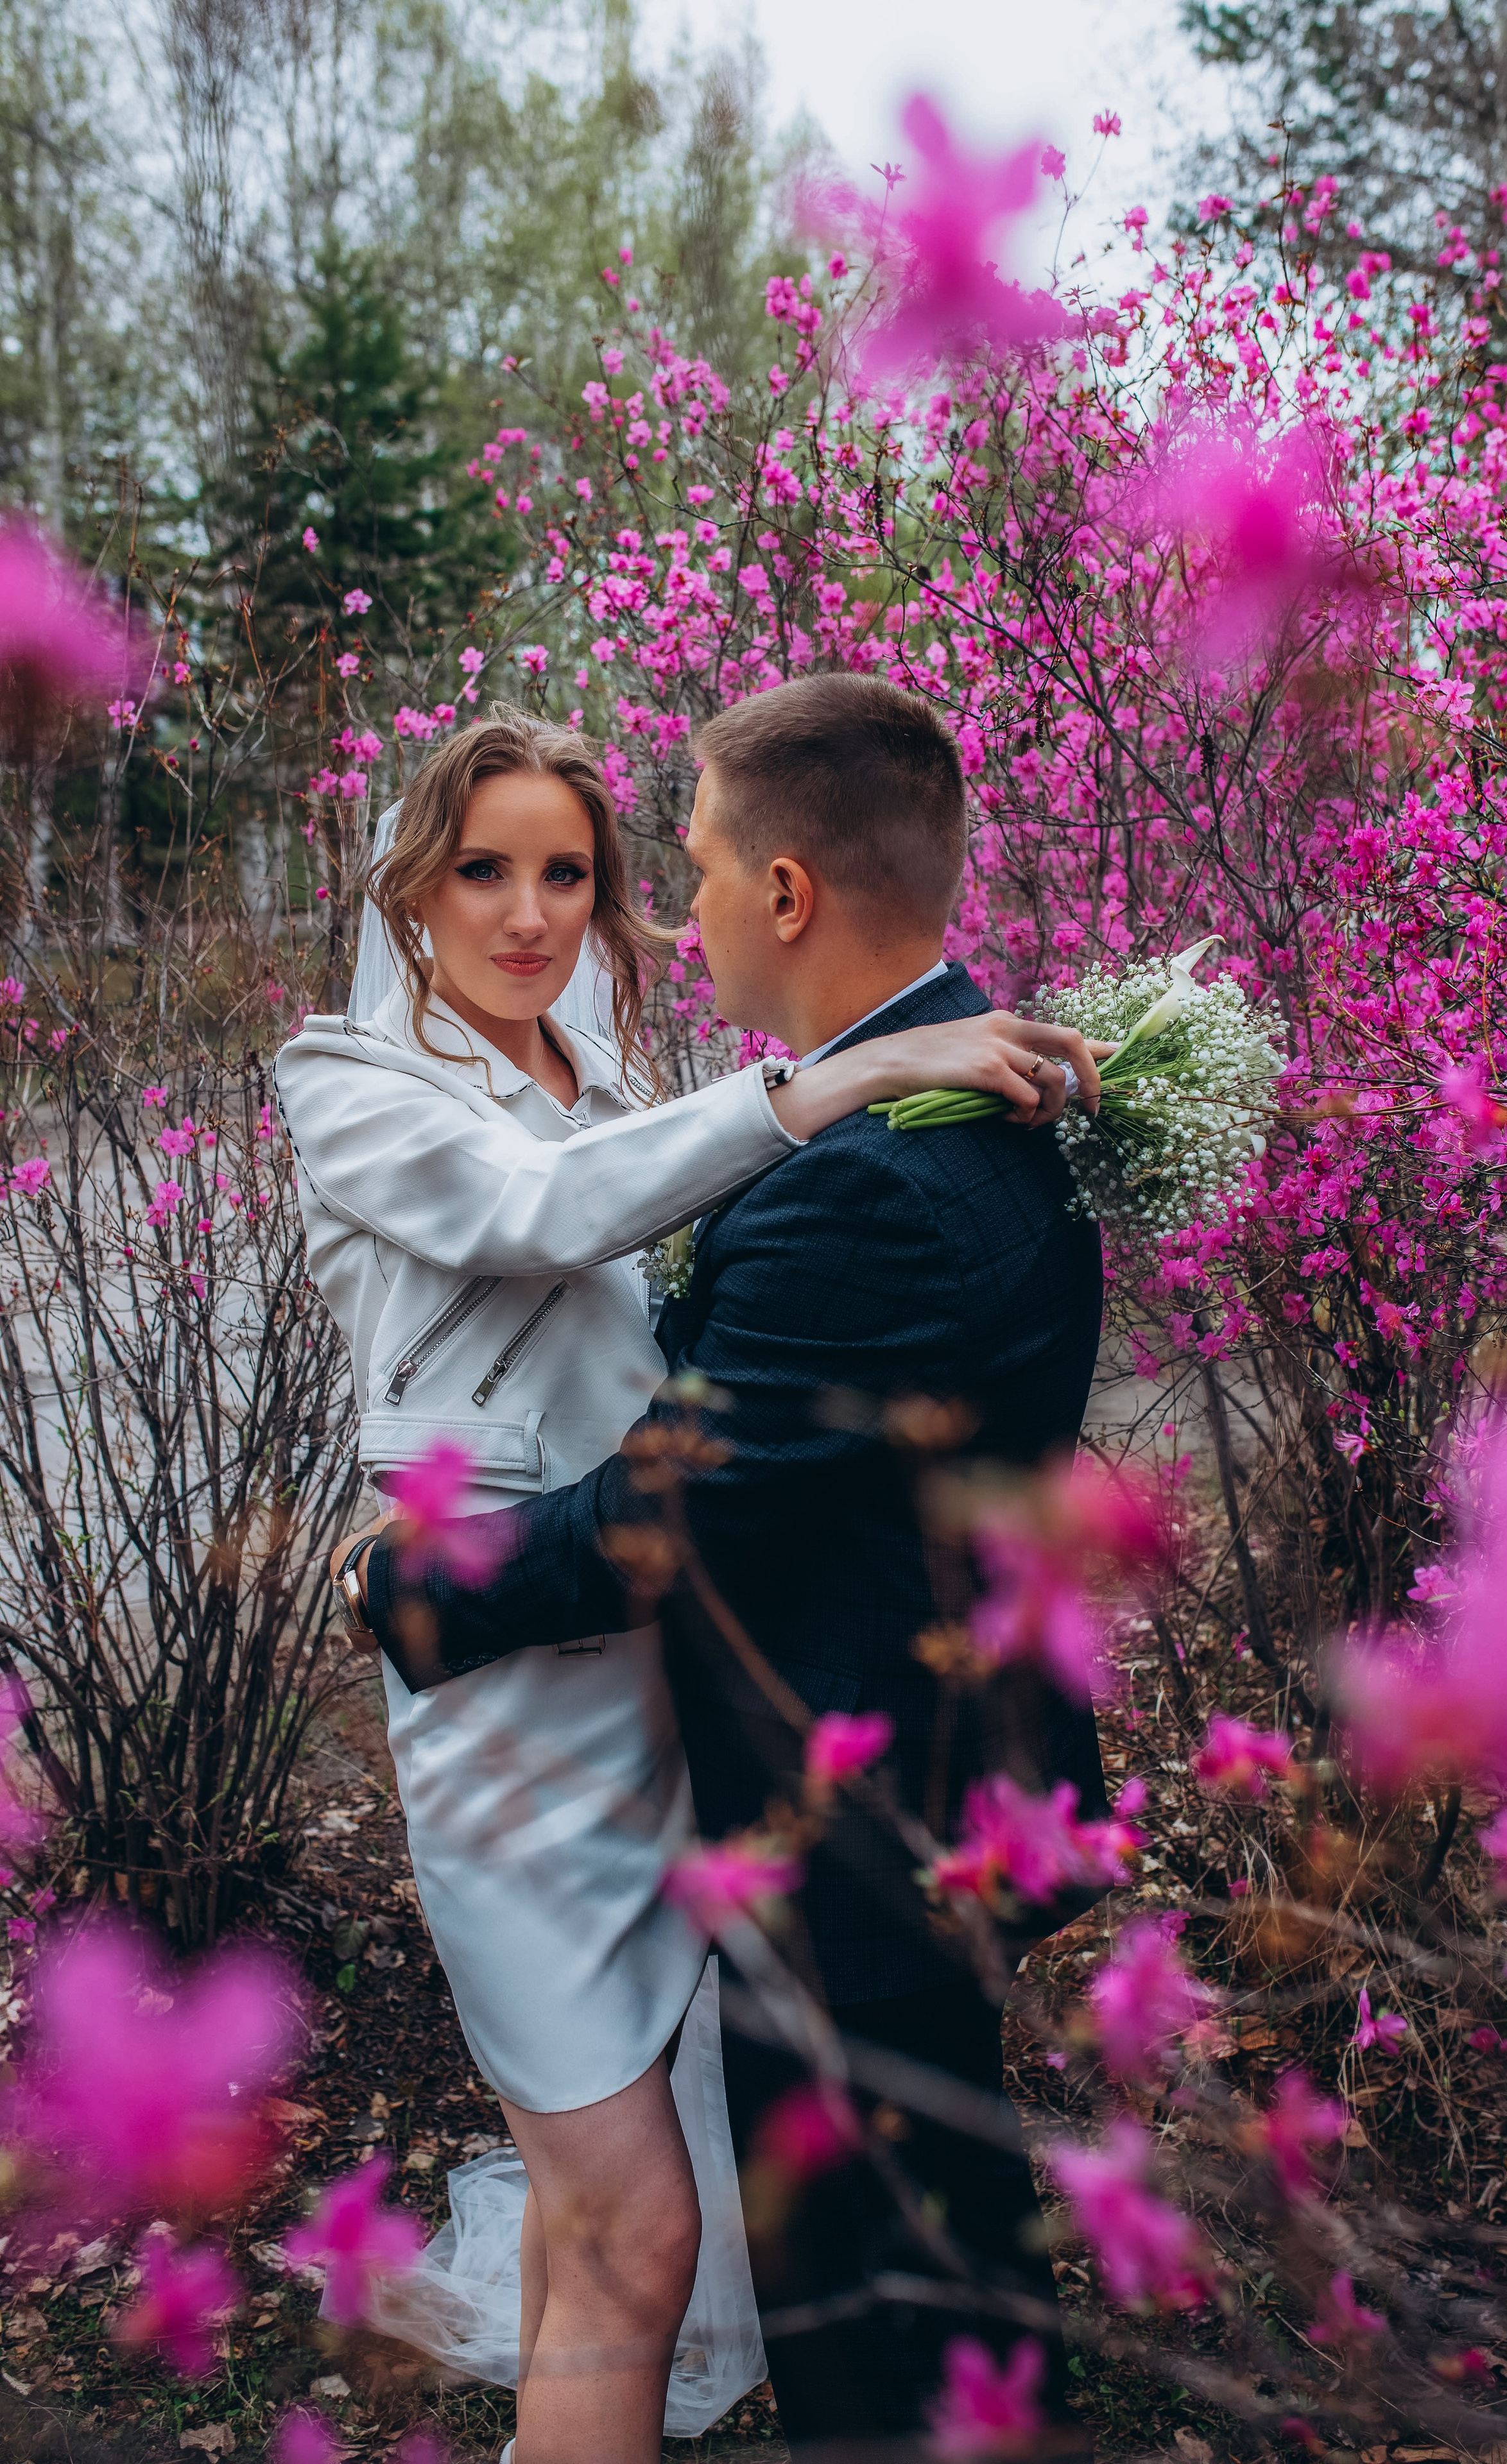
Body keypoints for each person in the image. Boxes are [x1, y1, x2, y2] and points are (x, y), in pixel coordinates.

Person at [276, 703, 1100, 2464]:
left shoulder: (632, 1094)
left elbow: (703, 1397)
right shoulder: (342, 1081)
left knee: (653, 2231)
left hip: (656, 1678)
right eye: (482, 867)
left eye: (570, 872)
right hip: (515, 1687)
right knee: (638, 2227)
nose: (530, 913)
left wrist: (853, 1085)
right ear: (410, 882)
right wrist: (841, 1078)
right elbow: (537, 1216)